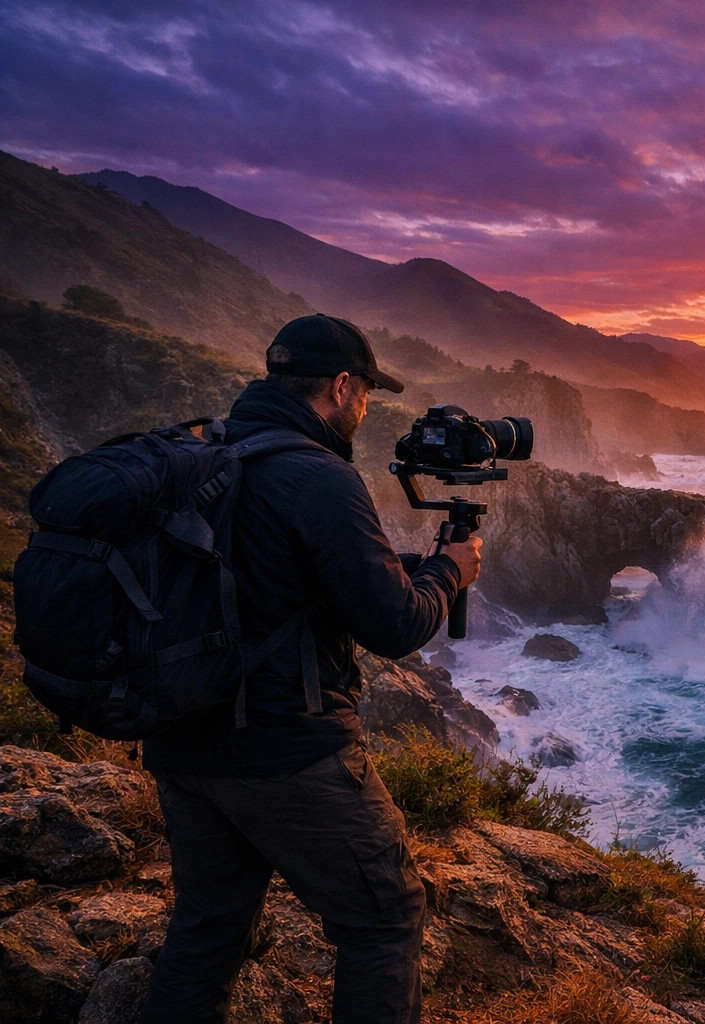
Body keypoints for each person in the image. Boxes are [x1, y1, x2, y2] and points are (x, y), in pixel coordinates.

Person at [141, 314, 481, 1024]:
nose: (364, 411)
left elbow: (258, 579)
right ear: (342, 386)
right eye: (365, 397)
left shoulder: (208, 451)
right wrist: (450, 572)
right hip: (284, 748)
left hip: (183, 739)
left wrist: (401, 569)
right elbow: (395, 627)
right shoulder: (317, 475)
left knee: (209, 926)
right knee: (386, 915)